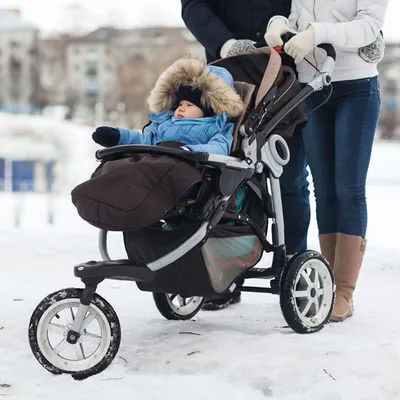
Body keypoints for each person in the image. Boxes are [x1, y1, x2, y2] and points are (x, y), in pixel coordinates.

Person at [181, 0, 310, 310]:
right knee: (228, 177)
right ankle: (224, 273)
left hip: (283, 72)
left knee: (289, 178)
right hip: (229, 74)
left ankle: (294, 265)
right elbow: (193, 6)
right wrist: (225, 43)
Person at [266, 0, 388, 321]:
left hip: (357, 87)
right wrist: (280, 23)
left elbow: (368, 26)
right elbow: (298, 16)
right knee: (324, 190)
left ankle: (344, 292)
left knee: (348, 188)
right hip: (313, 86)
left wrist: (317, 33)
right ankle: (327, 283)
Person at [92, 58, 244, 154]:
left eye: (189, 105)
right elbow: (144, 141)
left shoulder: (215, 127)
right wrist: (118, 137)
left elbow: (219, 147)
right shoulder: (164, 124)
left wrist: (190, 151)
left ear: (209, 110)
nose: (181, 108)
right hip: (153, 163)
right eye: (179, 104)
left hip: (184, 170)